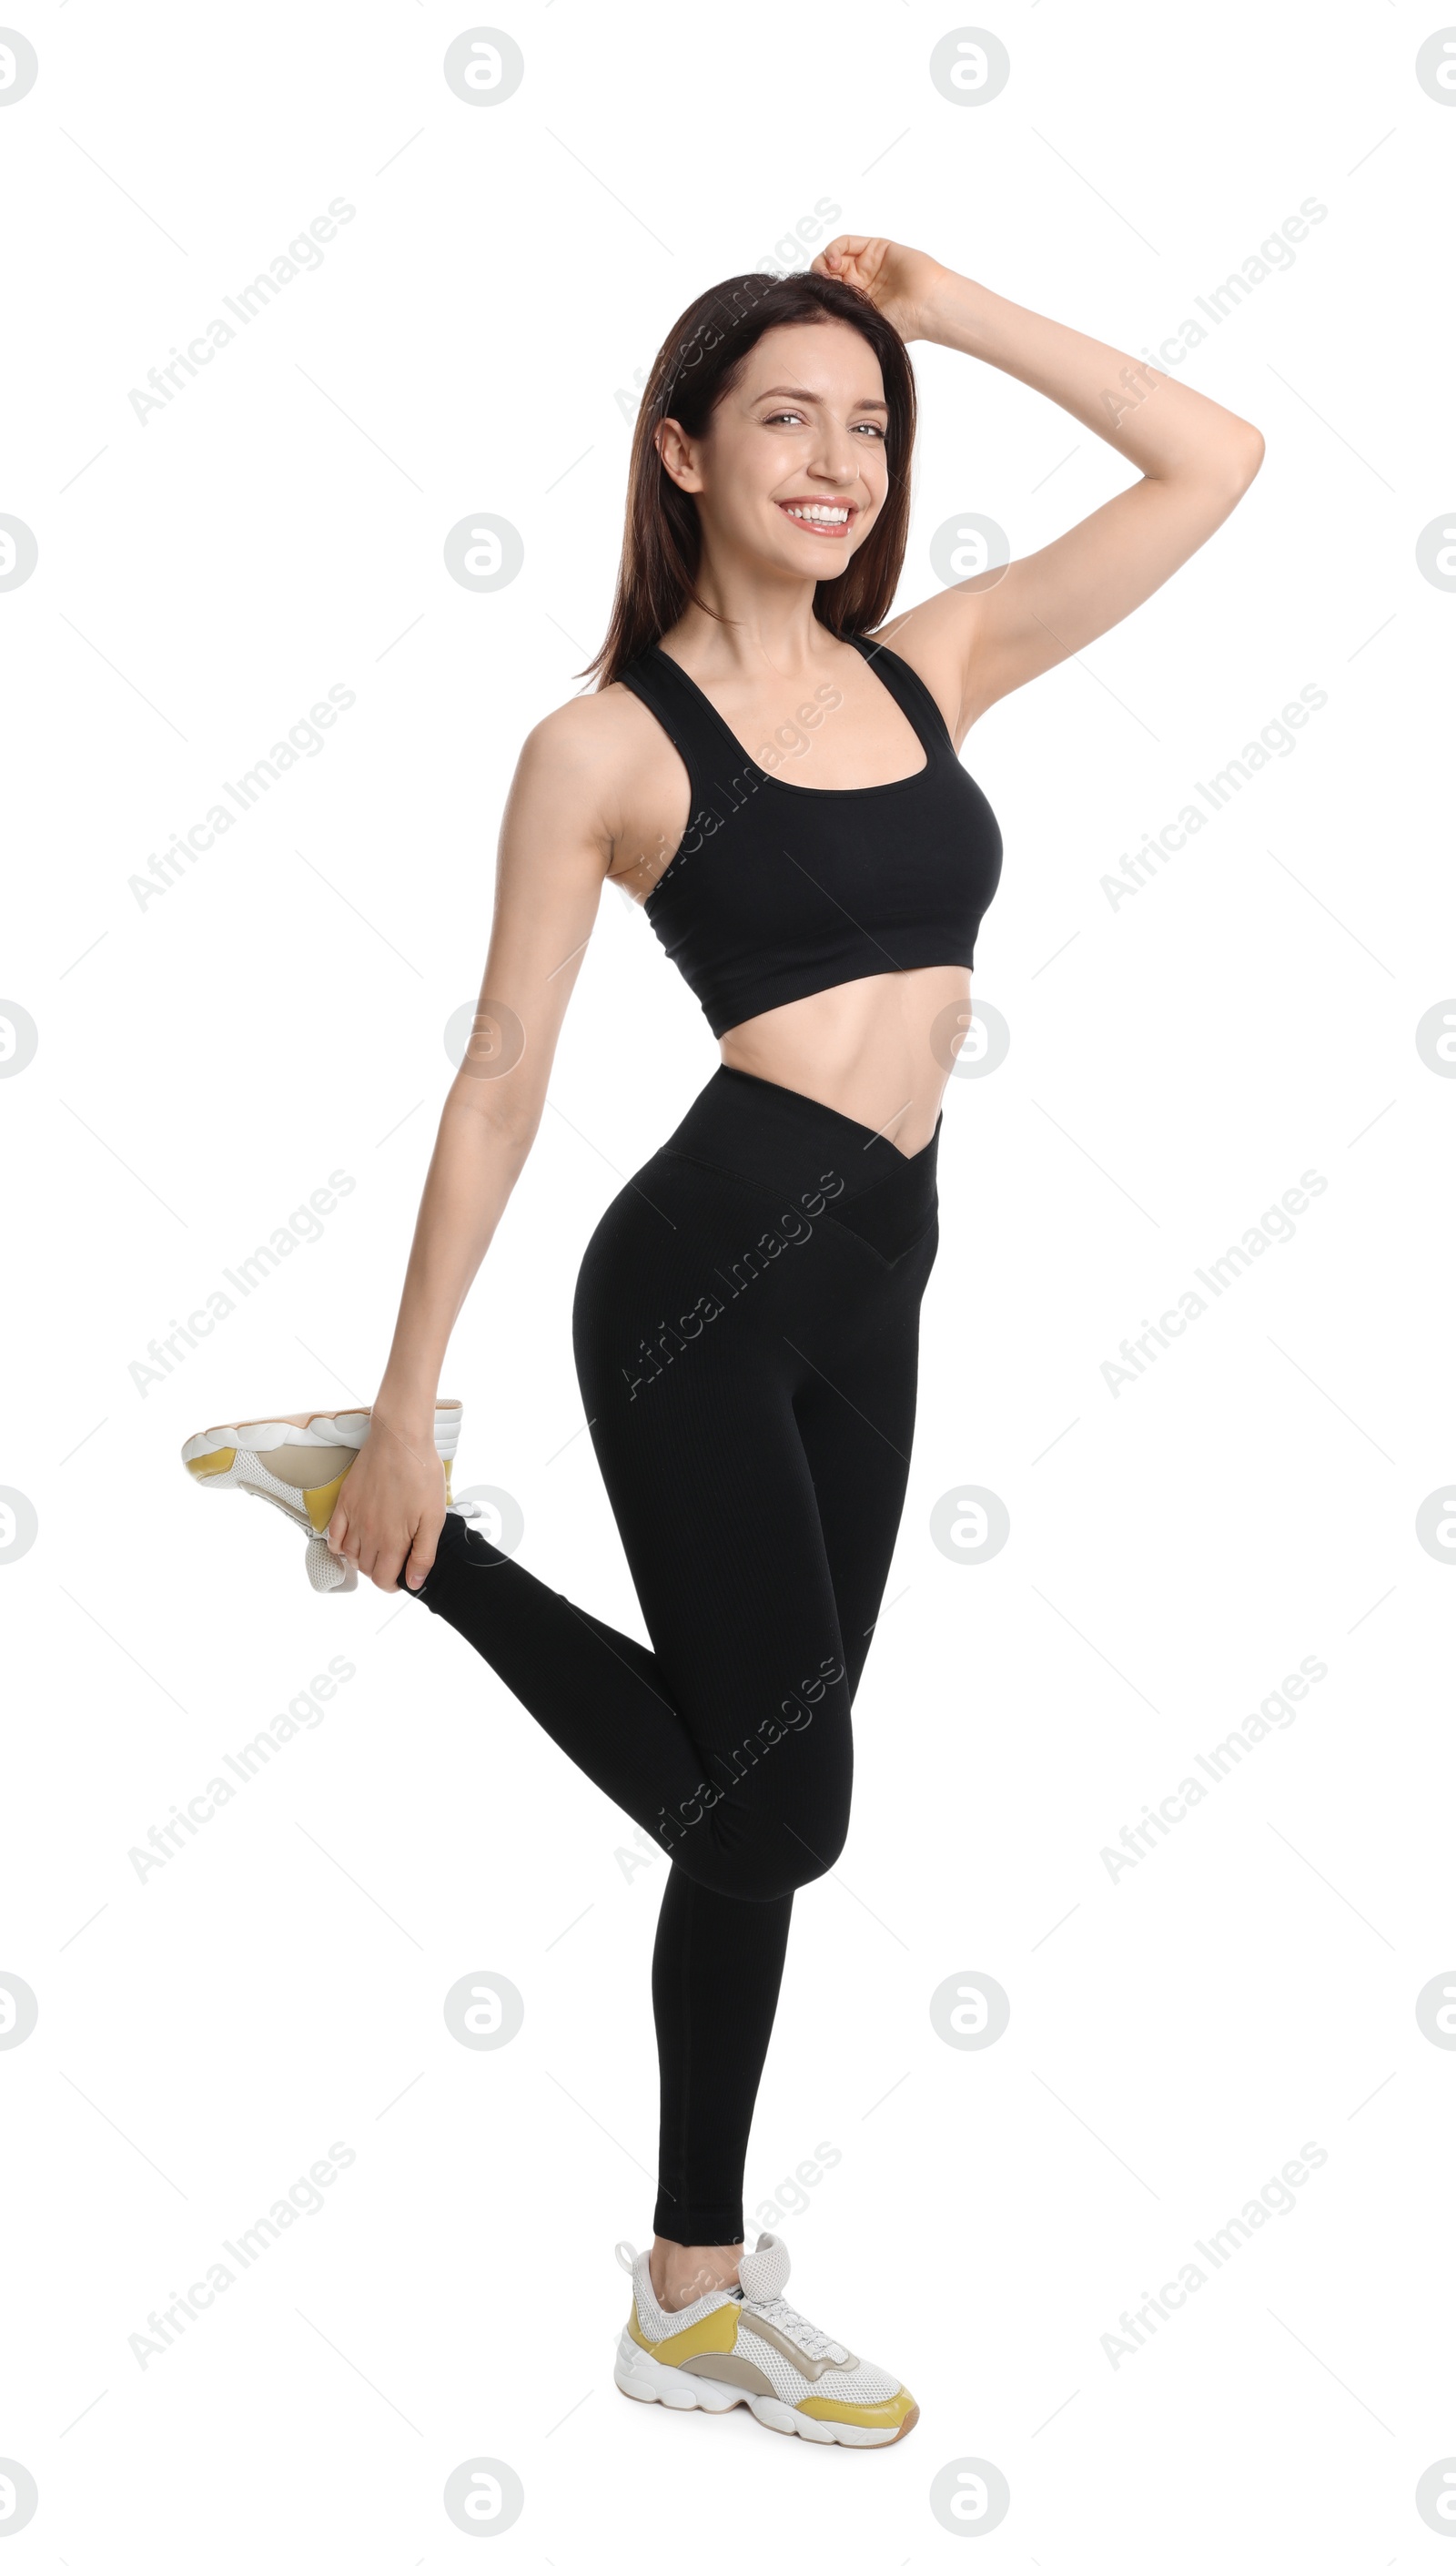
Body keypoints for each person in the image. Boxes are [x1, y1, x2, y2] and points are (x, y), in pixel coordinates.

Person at [183, 235, 1262, 2447]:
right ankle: (413, 1532)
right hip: (698, 1282)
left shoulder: (926, 667)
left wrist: (943, 311)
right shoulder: (599, 742)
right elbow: (500, 1069)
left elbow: (1211, 458)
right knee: (788, 1806)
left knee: (742, 1810)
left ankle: (690, 2295)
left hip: (884, 1275)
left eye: (870, 429)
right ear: (679, 449)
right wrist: (404, 1406)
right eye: (787, 414)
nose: (839, 462)